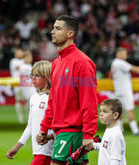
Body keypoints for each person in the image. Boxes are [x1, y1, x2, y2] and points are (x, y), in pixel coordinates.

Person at [36, 15, 98, 165]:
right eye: (53, 28)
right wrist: (44, 128)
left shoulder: (83, 62)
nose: (52, 31)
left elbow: (89, 101)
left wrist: (89, 134)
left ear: (71, 34)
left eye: (58, 28)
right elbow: (53, 100)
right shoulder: (56, 64)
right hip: (61, 132)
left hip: (72, 133)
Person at [7, 61, 55, 165]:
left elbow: (59, 125)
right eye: (32, 75)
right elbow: (30, 125)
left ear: (47, 77)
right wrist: (16, 147)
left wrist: (49, 137)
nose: (33, 78)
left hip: (49, 149)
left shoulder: (53, 97)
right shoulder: (33, 97)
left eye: (37, 75)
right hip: (37, 149)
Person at [93, 99, 126, 165]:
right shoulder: (109, 130)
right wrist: (93, 145)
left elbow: (115, 160)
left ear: (115, 115)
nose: (101, 114)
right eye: (100, 111)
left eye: (105, 111)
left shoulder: (116, 135)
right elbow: (106, 146)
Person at [9, 48, 25, 123]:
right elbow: (20, 67)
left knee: (28, 100)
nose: (19, 54)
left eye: (20, 52)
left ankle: (28, 117)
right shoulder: (13, 61)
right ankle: (20, 118)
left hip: (25, 83)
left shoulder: (24, 61)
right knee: (18, 100)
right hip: (17, 82)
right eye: (18, 52)